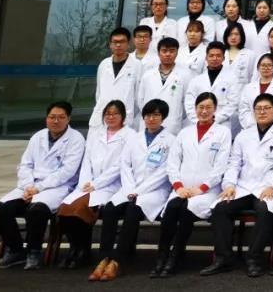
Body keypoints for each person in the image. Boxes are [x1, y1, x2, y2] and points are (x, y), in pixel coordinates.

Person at [203, 92, 273, 277]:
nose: (262, 112)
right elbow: (234, 163)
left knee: (265, 211)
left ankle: (253, 259)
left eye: (267, 108)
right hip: (243, 186)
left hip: (268, 187)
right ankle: (224, 258)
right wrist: (229, 185)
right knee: (220, 209)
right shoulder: (244, 135)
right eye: (258, 109)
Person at [0, 101, 85, 270]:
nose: (56, 121)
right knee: (0, 209)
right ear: (46, 118)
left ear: (68, 119)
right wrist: (29, 186)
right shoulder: (38, 137)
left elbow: (67, 172)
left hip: (57, 187)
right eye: (52, 117)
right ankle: (15, 250)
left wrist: (38, 188)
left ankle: (34, 252)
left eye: (61, 117)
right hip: (29, 185)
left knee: (37, 210)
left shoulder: (76, 139)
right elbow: (25, 164)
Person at [91, 99, 174, 282]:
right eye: (148, 115)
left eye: (156, 115)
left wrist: (139, 191)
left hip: (154, 191)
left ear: (163, 117)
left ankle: (117, 261)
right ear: (143, 117)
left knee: (132, 210)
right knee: (110, 209)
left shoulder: (170, 141)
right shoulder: (134, 138)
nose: (151, 119)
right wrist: (130, 189)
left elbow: (165, 172)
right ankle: (104, 258)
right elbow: (125, 165)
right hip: (130, 187)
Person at [151, 93, 231, 278]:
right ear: (195, 109)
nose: (204, 111)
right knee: (172, 208)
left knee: (186, 210)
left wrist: (201, 188)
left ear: (215, 109)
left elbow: (220, 166)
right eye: (200, 107)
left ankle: (175, 256)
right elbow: (173, 163)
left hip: (207, 191)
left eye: (208, 107)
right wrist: (178, 186)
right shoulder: (184, 132)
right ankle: (161, 256)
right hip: (182, 188)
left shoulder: (223, 133)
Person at [58, 100, 133, 270]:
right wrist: (86, 182)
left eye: (115, 114)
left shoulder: (130, 136)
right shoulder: (95, 134)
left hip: (111, 185)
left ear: (123, 116)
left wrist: (96, 184)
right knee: (64, 209)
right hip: (88, 184)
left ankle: (83, 252)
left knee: (80, 208)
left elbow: (120, 165)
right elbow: (86, 160)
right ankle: (76, 247)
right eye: (107, 114)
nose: (111, 117)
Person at [91, 28, 141, 129]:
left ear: (128, 44)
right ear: (110, 44)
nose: (118, 45)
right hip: (101, 117)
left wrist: (129, 112)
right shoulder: (104, 64)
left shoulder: (137, 65)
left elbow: (138, 96)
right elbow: (99, 93)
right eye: (115, 42)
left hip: (125, 117)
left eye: (122, 42)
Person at [137, 37, 190, 134]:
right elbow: (140, 100)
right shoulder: (148, 75)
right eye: (164, 51)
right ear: (158, 53)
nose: (168, 54)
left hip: (172, 123)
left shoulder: (186, 75)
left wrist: (176, 116)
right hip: (149, 122)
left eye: (172, 51)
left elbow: (187, 102)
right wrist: (150, 115)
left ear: (177, 53)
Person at [184, 42, 241, 129]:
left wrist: (214, 119)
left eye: (218, 56)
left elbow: (233, 103)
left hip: (221, 124)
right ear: (206, 58)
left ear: (223, 58)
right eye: (211, 56)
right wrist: (198, 120)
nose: (215, 58)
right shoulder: (196, 80)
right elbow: (189, 103)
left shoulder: (232, 78)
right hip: (198, 123)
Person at [240, 53, 273, 130]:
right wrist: (253, 125)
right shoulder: (248, 87)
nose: (266, 68)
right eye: (263, 65)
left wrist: (267, 125)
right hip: (250, 127)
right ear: (258, 67)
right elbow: (244, 109)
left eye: (269, 65)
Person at [222, 22, 257, 86]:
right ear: (226, 36)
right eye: (230, 34)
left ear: (242, 36)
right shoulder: (221, 53)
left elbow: (254, 77)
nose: (233, 37)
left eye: (236, 34)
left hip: (243, 90)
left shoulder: (250, 55)